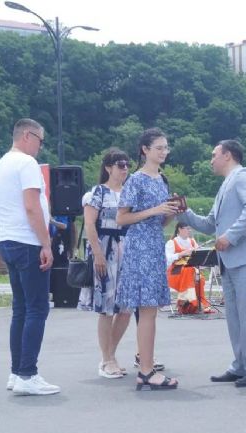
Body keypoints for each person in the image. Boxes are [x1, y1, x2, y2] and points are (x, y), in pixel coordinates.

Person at [179, 139, 246, 388]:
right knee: (235, 317)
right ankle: (241, 365)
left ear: (227, 155)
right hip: (231, 260)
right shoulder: (226, 185)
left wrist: (230, 236)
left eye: (214, 155)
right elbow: (210, 224)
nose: (211, 160)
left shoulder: (245, 176)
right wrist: (184, 212)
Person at [0, 118, 59, 396]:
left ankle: (17, 371)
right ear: (28, 136)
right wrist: (46, 244)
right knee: (37, 309)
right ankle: (28, 374)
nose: (41, 147)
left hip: (7, 239)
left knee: (20, 308)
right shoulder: (27, 163)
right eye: (41, 141)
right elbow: (32, 207)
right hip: (28, 242)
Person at [115, 128, 180, 391]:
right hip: (140, 246)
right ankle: (145, 369)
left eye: (166, 147)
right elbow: (121, 218)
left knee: (150, 310)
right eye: (159, 148)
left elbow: (160, 221)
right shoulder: (136, 180)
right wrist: (155, 210)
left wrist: (171, 212)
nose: (164, 152)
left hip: (154, 244)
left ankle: (147, 366)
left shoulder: (161, 179)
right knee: (147, 309)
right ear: (145, 150)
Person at [77, 148, 132, 379]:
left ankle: (110, 354)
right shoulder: (98, 192)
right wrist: (97, 253)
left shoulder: (130, 192)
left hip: (127, 248)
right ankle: (107, 358)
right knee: (107, 306)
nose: (125, 169)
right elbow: (90, 224)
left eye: (127, 165)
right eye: (120, 165)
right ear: (109, 167)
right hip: (106, 248)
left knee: (126, 307)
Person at [165, 222, 212, 314]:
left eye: (190, 229)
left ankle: (195, 303)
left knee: (199, 277)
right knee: (189, 271)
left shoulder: (192, 241)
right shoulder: (171, 242)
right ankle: (189, 303)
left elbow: (199, 257)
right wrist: (182, 254)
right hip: (175, 271)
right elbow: (168, 258)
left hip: (190, 269)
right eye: (187, 228)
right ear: (180, 229)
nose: (189, 231)